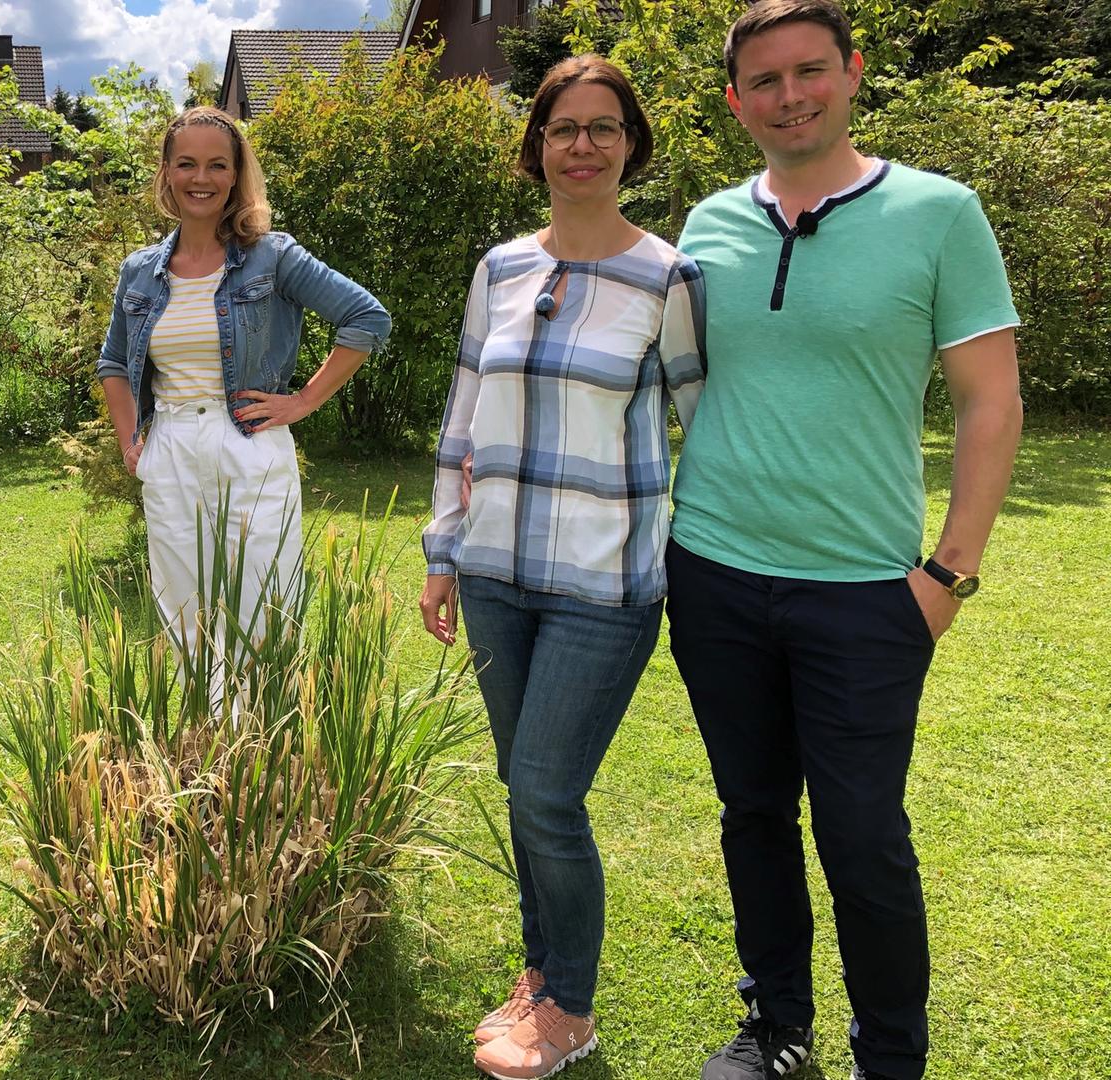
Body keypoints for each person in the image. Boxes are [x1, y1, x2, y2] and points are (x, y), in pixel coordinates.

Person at [669, 3, 1023, 1078]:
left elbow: (990, 400)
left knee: (864, 839)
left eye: (808, 71)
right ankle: (777, 1032)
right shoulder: (706, 226)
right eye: (764, 82)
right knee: (753, 816)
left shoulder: (939, 212)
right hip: (717, 573)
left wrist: (948, 573)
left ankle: (892, 1059)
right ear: (737, 103)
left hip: (866, 591)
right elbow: (682, 386)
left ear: (852, 72)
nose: (790, 96)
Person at [418, 55, 706, 1080]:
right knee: (522, 784)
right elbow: (465, 416)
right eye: (561, 127)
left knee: (545, 792)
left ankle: (571, 1007)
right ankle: (540, 976)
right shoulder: (498, 268)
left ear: (632, 144)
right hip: (495, 572)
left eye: (603, 127)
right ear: (535, 145)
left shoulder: (668, 278)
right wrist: (443, 551)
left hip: (604, 582)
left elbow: (703, 426)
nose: (580, 145)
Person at [96, 106, 389, 677]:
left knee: (264, 604)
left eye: (216, 165)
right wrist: (132, 442)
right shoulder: (139, 272)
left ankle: (263, 748)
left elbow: (365, 319)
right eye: (186, 164)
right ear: (166, 172)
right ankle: (204, 743)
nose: (200, 178)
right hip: (172, 447)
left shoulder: (272, 255)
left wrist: (303, 401)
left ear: (235, 176)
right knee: (182, 608)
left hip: (249, 441)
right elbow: (113, 362)